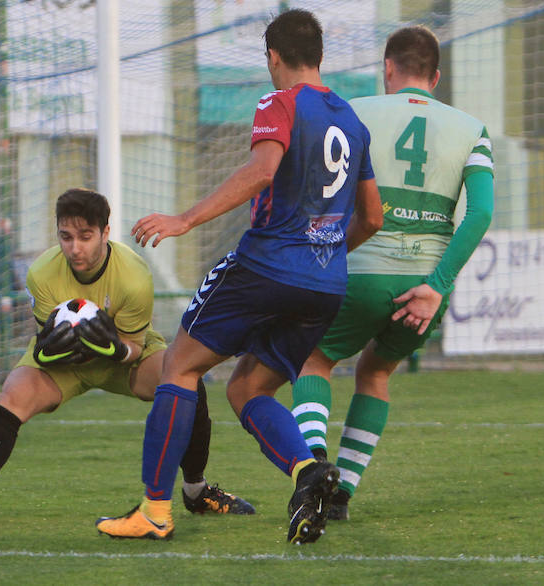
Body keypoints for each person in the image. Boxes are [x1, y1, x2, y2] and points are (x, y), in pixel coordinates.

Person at [95, 9, 383, 544]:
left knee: (179, 367)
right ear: (319, 55)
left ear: (273, 57)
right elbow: (373, 217)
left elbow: (262, 171)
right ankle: (308, 471)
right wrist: (323, 253)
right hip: (325, 283)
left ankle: (155, 509)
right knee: (249, 388)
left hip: (266, 265)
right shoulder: (352, 120)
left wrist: (184, 219)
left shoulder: (278, 103)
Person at [0, 188, 254, 524]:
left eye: (85, 236)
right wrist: (50, 350)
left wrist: (115, 348)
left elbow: (133, 346)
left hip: (125, 356)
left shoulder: (134, 277)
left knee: (186, 379)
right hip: (66, 363)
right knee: (13, 394)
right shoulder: (41, 273)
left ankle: (197, 490)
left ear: (106, 232)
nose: (74, 247)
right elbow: (46, 346)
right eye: (65, 236)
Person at [290, 25, 495, 520]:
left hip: (360, 271)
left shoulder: (354, 112)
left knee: (313, 360)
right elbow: (481, 212)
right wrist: (437, 287)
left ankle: (314, 466)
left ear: (388, 68)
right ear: (436, 76)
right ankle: (340, 500)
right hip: (426, 285)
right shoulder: (472, 129)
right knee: (376, 371)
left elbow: (322, 192)